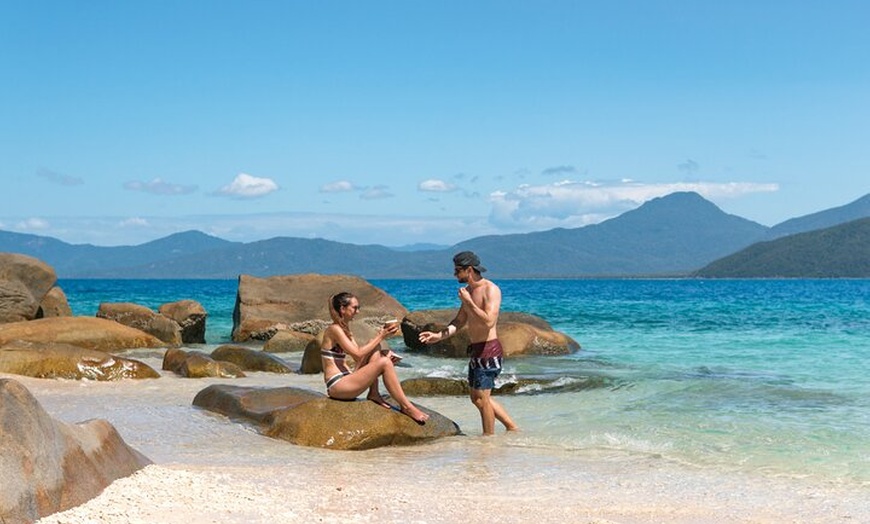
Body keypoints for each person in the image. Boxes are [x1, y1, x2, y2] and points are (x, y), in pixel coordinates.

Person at [418, 251, 518, 435]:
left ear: (469, 269)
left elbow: (489, 321)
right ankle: (512, 427)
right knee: (476, 399)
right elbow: (459, 321)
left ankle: (488, 439)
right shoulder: (469, 291)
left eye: (457, 271)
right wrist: (438, 336)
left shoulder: (490, 289)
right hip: (476, 350)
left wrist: (469, 302)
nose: (455, 275)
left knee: (483, 399)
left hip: (489, 350)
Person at [321, 292, 429, 424]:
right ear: (343, 309)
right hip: (338, 386)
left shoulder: (344, 329)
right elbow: (358, 354)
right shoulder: (334, 329)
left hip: (347, 380)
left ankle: (374, 393)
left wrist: (382, 352)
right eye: (355, 308)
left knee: (376, 349)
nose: (358, 311)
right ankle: (406, 407)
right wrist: (381, 337)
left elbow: (359, 358)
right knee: (383, 361)